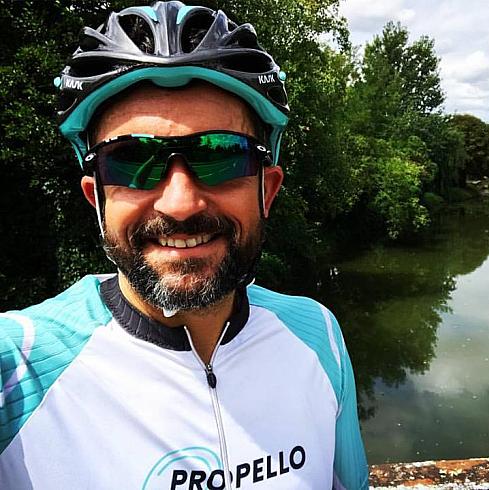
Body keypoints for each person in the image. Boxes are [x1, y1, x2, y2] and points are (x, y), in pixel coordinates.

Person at [0, 2, 368, 489]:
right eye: (130, 160)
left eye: (222, 155)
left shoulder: (318, 335)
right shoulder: (17, 365)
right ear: (96, 198)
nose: (179, 204)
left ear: (268, 190)